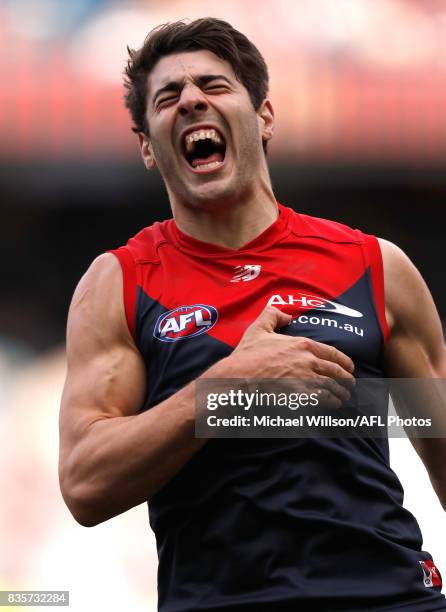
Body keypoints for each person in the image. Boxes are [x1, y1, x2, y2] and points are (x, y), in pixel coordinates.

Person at [58, 18, 446, 612]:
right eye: (167, 98)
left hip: (389, 597)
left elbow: (438, 437)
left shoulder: (375, 266)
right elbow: (85, 485)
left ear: (264, 116)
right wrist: (224, 391)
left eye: (214, 86)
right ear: (146, 146)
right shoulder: (119, 282)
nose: (191, 100)